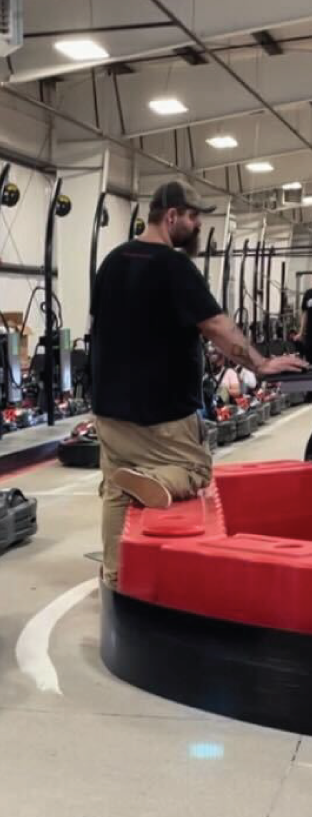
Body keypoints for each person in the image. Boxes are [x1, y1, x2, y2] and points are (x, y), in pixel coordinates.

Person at [87, 181, 307, 587]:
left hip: (107, 407)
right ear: (171, 216)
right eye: (193, 216)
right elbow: (216, 325)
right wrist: (261, 363)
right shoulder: (172, 265)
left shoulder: (112, 261)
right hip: (161, 411)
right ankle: (157, 479)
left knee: (118, 487)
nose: (197, 224)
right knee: (195, 469)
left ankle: (116, 578)